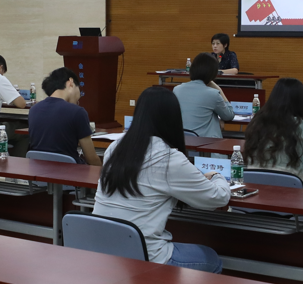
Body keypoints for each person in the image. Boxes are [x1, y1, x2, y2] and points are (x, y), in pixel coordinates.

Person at [94, 86, 228, 272]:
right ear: (173, 119)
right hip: (144, 257)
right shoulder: (169, 158)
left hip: (101, 251)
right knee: (212, 259)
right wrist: (217, 175)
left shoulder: (115, 148)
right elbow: (218, 198)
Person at [27, 68, 101, 166]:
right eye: (79, 88)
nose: (79, 97)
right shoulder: (77, 112)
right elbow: (91, 158)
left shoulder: (34, 110)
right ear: (71, 82)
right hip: (70, 173)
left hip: (38, 171)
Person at [174, 53, 234, 138]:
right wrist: (219, 90)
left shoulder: (177, 90)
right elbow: (229, 115)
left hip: (182, 142)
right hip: (206, 143)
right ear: (212, 73)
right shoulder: (213, 94)